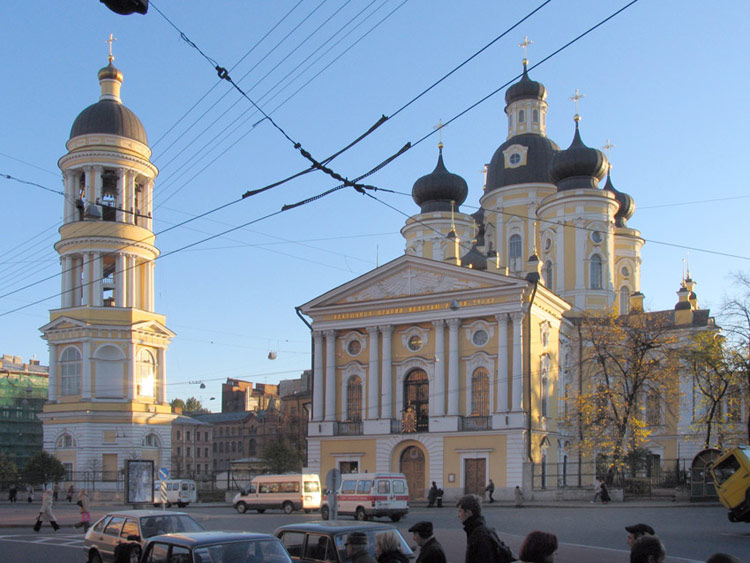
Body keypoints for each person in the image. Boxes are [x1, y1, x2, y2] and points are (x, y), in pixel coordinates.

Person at [456, 494, 513, 563]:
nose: (458, 515)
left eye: (460, 511)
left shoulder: (478, 536)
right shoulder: (480, 530)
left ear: (469, 512)